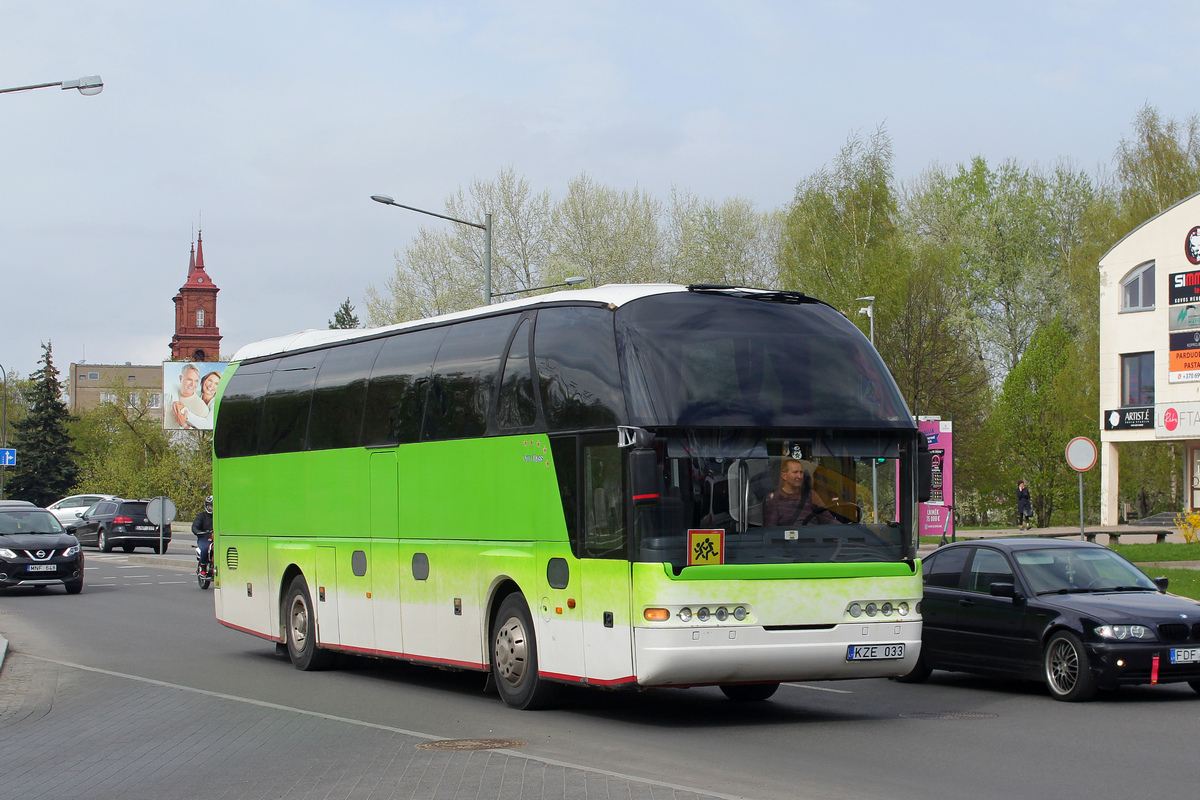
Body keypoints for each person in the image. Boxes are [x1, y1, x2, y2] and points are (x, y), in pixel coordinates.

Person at [764, 459, 837, 526]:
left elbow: (828, 520)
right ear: (784, 476)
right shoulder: (774, 499)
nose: (799, 476)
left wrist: (843, 528)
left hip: (812, 537)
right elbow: (771, 530)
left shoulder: (811, 495)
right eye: (795, 472)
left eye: (801, 472)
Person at [171, 364, 211, 429]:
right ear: (181, 378)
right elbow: (174, 385)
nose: (193, 384)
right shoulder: (173, 392)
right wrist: (176, 401)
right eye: (189, 379)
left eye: (196, 381)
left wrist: (184, 424)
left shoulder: (202, 408)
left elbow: (204, 429)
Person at [193, 495, 214, 571]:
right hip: (204, 537)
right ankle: (203, 566)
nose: (212, 508)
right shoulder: (201, 516)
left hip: (216, 538)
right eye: (211, 506)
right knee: (205, 548)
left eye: (214, 506)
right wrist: (198, 532)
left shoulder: (220, 516)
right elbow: (195, 527)